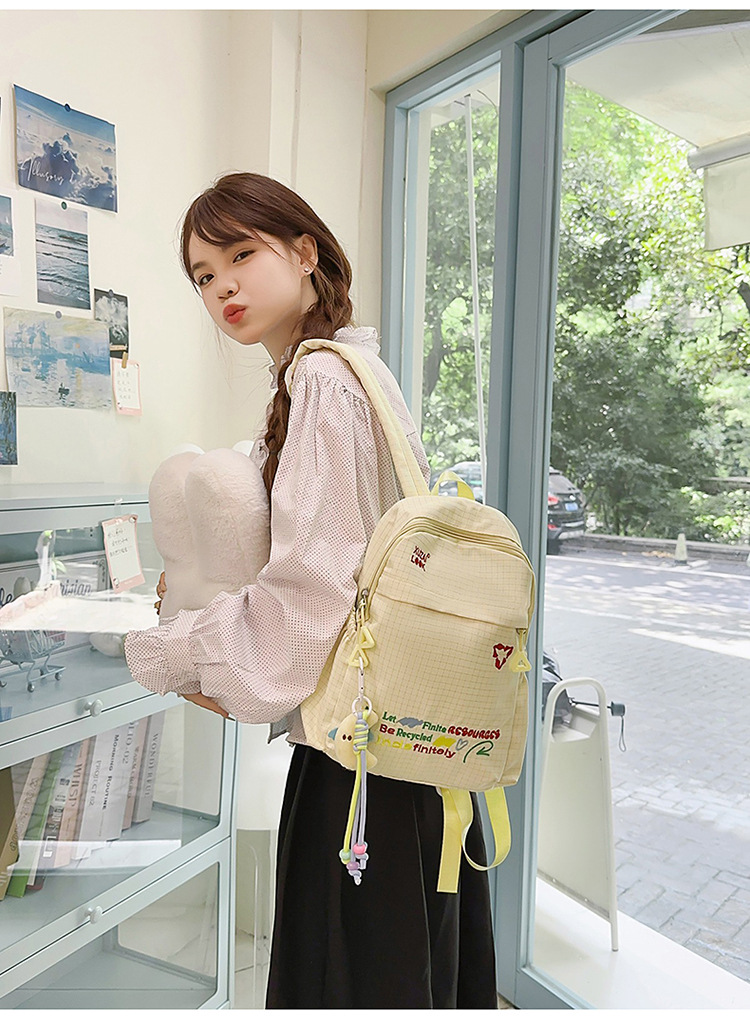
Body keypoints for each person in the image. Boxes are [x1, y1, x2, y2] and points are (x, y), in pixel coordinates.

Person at [124, 172, 497, 1009]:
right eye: (203, 274)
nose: (222, 286)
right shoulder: (348, 369)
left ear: (305, 252)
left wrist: (169, 649)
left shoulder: (323, 379)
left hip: (360, 761)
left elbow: (307, 608)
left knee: (352, 977)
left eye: (240, 255)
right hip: (410, 745)